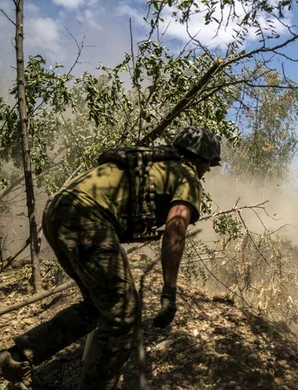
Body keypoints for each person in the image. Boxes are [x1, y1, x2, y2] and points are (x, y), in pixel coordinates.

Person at [0, 126, 221, 390]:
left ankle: (17, 358)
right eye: (209, 165)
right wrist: (169, 292)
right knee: (124, 315)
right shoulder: (186, 174)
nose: (207, 172)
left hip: (59, 214)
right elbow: (175, 229)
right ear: (200, 159)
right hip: (85, 223)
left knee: (98, 306)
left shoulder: (155, 162)